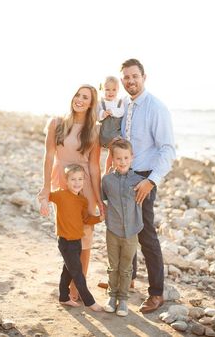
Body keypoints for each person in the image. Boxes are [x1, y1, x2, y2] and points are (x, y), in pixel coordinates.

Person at [120, 58, 176, 313]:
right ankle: (128, 279)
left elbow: (167, 150)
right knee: (126, 230)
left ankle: (156, 293)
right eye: (126, 77)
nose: (130, 81)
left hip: (145, 178)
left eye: (135, 76)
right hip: (126, 174)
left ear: (144, 77)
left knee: (146, 235)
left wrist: (151, 181)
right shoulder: (126, 105)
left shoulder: (156, 108)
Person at [38, 84, 103, 301]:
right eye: (78, 95)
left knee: (84, 238)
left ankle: (77, 290)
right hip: (64, 183)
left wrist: (99, 197)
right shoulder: (56, 123)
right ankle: (67, 287)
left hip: (84, 185)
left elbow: (94, 167)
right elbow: (48, 156)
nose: (80, 100)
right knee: (68, 236)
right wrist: (47, 187)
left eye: (86, 97)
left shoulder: (94, 130)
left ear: (91, 104)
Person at [39, 164, 104, 311]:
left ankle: (63, 297)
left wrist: (100, 218)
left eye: (80, 179)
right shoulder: (60, 195)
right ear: (66, 181)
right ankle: (89, 301)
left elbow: (86, 219)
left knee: (67, 271)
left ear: (84, 181)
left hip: (77, 242)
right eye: (73, 179)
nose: (77, 183)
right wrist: (43, 203)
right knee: (77, 272)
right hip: (65, 242)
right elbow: (44, 195)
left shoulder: (82, 201)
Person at [102, 139, 144, 317]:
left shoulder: (139, 181)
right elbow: (103, 200)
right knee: (113, 266)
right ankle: (112, 296)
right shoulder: (107, 180)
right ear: (112, 159)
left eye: (126, 157)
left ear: (131, 158)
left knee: (126, 268)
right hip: (113, 229)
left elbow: (144, 199)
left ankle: (124, 299)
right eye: (118, 158)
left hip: (131, 231)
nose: (122, 161)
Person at [98, 76, 124, 174]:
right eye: (107, 89)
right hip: (103, 134)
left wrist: (112, 111)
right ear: (102, 89)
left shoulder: (119, 102)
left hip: (114, 134)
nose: (110, 92)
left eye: (114, 89)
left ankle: (108, 171)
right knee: (97, 153)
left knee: (112, 153)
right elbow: (96, 115)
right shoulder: (100, 103)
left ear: (118, 90)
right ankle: (99, 169)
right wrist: (102, 114)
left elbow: (121, 112)